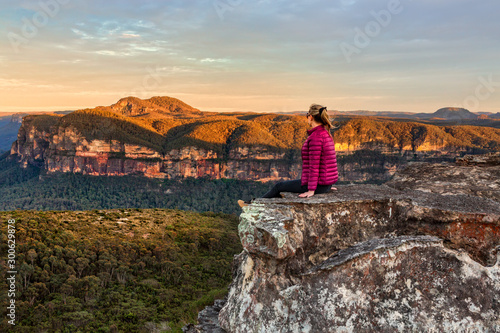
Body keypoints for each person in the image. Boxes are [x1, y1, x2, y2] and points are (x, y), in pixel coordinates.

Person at [238, 104, 338, 207]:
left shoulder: (316, 137)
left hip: (318, 185)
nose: (307, 117)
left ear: (311, 117)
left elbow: (314, 166)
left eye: (307, 115)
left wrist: (311, 190)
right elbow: (329, 161)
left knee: (279, 186)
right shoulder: (325, 134)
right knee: (281, 187)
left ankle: (254, 206)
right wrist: (328, 185)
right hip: (325, 184)